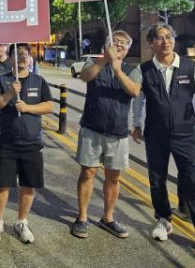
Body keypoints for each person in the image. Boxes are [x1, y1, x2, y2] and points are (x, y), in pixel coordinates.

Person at [128, 23, 195, 260]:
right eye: (159, 38)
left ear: (174, 40)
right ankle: (163, 220)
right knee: (157, 179)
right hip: (155, 134)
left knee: (192, 181)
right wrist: (136, 124)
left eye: (169, 37)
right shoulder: (143, 69)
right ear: (151, 42)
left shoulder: (189, 65)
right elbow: (138, 99)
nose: (165, 41)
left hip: (185, 134)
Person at [0, 43, 53, 244]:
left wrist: (27, 108)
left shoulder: (39, 81)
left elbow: (49, 106)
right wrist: (9, 94)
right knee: (2, 185)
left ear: (30, 58)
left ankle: (21, 222)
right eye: (18, 54)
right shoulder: (3, 81)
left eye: (25, 54)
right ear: (11, 58)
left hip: (32, 143)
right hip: (7, 142)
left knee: (28, 186)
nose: (22, 57)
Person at [71, 31, 135, 239]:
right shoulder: (93, 62)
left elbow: (134, 90)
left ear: (128, 49)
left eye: (123, 44)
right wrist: (104, 61)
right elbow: (85, 76)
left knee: (113, 177)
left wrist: (118, 70)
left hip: (118, 133)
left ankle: (108, 218)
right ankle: (82, 217)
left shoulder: (132, 70)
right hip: (92, 128)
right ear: (107, 44)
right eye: (115, 42)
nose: (119, 46)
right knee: (88, 172)